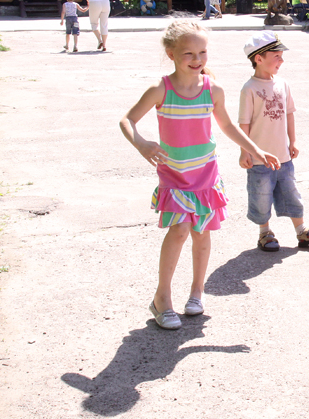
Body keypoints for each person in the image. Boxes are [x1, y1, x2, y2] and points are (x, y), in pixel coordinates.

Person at [119, 20, 280, 330]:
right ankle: (162, 298)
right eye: (188, 53)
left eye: (202, 52)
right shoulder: (161, 89)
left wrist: (256, 150)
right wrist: (141, 143)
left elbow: (227, 125)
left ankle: (197, 293)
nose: (197, 59)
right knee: (179, 230)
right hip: (175, 175)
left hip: (205, 174)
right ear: (171, 54)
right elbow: (127, 120)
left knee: (201, 234)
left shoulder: (212, 89)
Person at [238, 32, 309, 252]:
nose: (282, 60)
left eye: (281, 56)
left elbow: (289, 113)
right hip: (260, 159)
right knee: (261, 197)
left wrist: (293, 141)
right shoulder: (249, 88)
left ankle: (302, 231)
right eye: (277, 56)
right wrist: (244, 152)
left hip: (283, 157)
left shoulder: (282, 84)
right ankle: (265, 233)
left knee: (291, 194)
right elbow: (243, 124)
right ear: (258, 58)